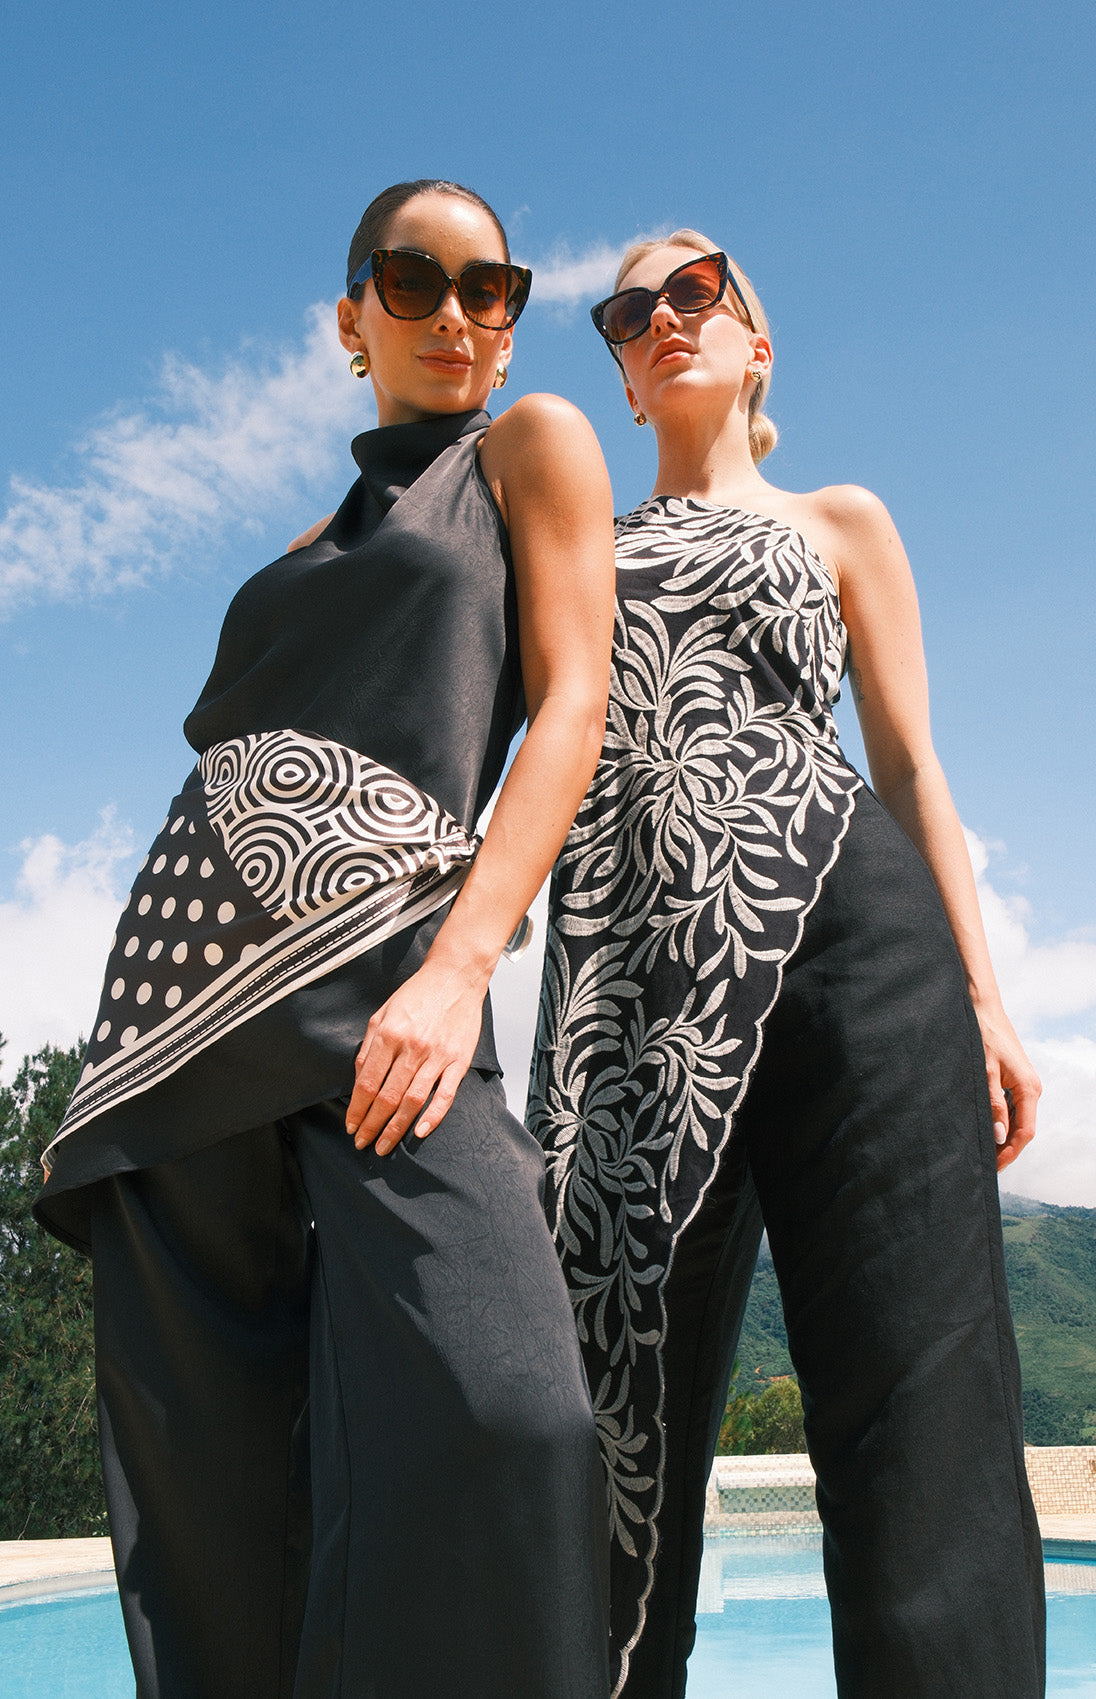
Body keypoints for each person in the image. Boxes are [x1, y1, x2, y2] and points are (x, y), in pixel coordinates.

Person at [36, 179, 616, 1699]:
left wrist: (462, 965)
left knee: (514, 1417)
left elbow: (572, 701)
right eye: (412, 282)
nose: (455, 314)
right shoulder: (302, 545)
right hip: (182, 1003)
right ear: (351, 318)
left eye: (489, 288)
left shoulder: (528, 447)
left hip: (393, 983)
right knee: (213, 1476)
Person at [528, 232, 1045, 1699]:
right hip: (631, 995)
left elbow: (912, 765)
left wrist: (988, 999)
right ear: (625, 381)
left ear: (757, 345)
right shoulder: (573, 544)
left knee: (923, 1395)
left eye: (696, 290)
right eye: (630, 311)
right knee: (611, 1409)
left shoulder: (839, 520)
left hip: (852, 935)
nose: (662, 317)